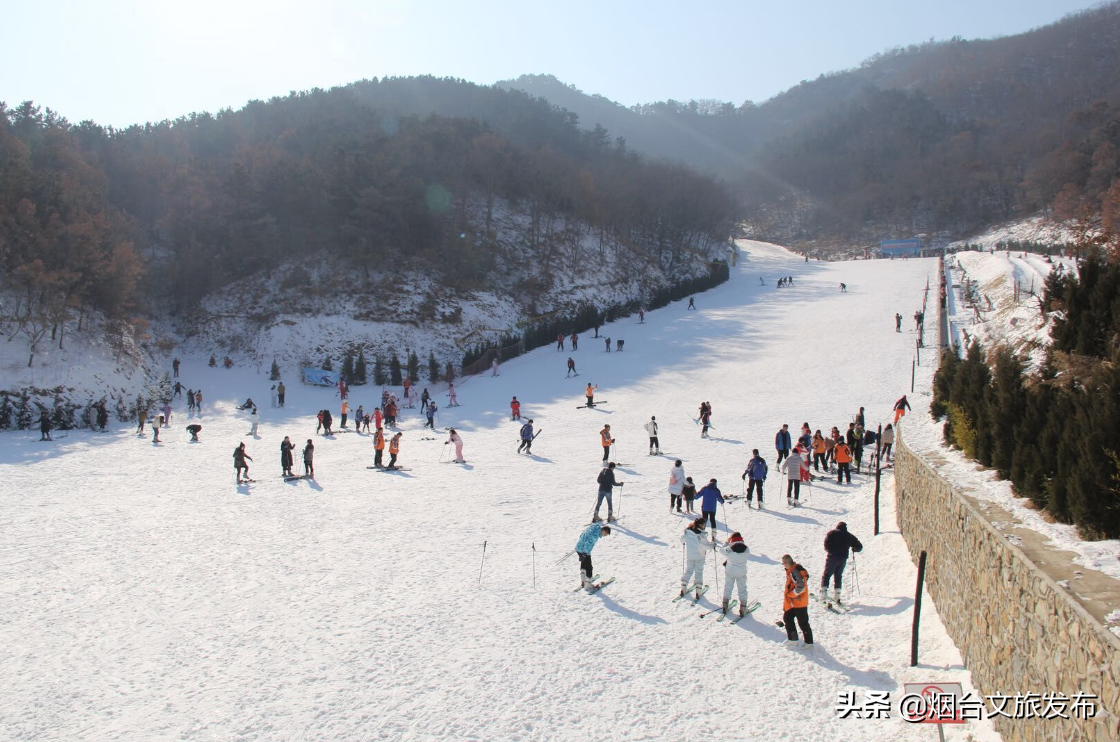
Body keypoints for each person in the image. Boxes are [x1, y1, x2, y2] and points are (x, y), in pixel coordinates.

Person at [820, 522, 863, 604]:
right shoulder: (849, 536)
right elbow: (859, 546)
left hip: (832, 557)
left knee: (827, 575)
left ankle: (823, 594)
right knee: (838, 576)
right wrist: (854, 549)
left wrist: (829, 550)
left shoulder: (832, 533)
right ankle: (837, 597)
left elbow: (826, 543)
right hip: (843, 559)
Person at [780, 554, 813, 646]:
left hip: (798, 601)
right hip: (794, 602)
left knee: (803, 622)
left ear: (786, 563)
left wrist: (791, 594)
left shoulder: (794, 572)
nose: (783, 565)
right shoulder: (794, 569)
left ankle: (809, 642)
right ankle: (793, 639)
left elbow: (801, 586)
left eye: (783, 563)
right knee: (788, 618)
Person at [720, 531, 751, 616]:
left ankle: (725, 604)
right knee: (742, 588)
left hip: (730, 571)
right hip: (741, 572)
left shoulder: (730, 548)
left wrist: (726, 543)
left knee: (728, 587)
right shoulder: (746, 548)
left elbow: (721, 550)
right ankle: (743, 607)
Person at [679, 518, 711, 599]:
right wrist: (712, 545)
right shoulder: (701, 535)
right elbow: (705, 546)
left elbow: (682, 540)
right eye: (704, 524)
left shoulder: (688, 532)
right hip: (700, 556)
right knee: (699, 571)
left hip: (690, 555)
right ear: (700, 525)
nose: (704, 526)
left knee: (689, 570)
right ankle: (698, 590)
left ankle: (683, 585)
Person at [575, 523, 611, 592]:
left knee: (584, 565)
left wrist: (581, 542)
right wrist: (585, 554)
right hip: (584, 551)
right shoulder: (595, 535)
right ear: (604, 531)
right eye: (605, 534)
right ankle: (588, 586)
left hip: (579, 548)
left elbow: (583, 534)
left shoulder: (594, 527)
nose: (604, 536)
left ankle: (583, 581)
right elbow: (588, 544)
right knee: (589, 567)